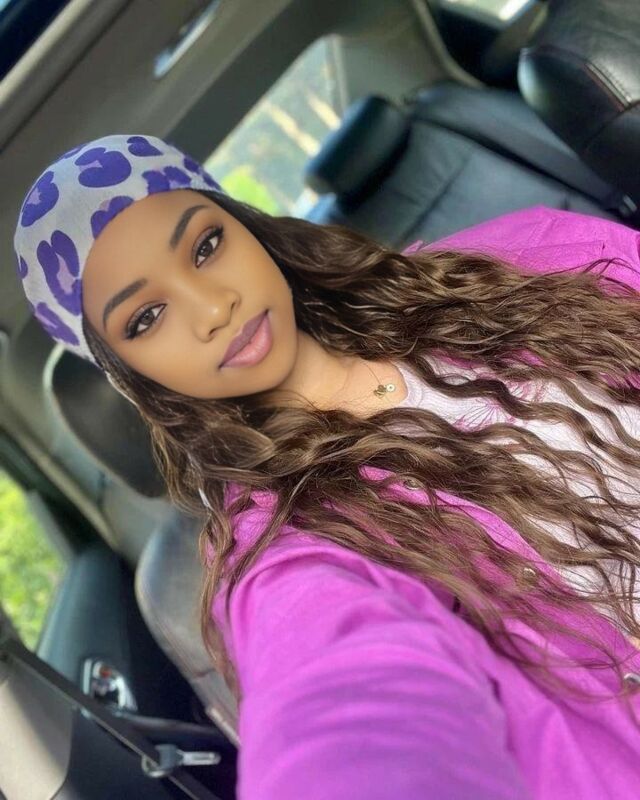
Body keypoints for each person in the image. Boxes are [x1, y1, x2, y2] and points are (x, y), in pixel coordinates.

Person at [13, 134, 640, 799]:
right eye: (146, 318)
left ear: (247, 228)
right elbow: (343, 703)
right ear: (129, 375)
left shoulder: (505, 262)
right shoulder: (288, 549)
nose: (214, 308)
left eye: (205, 246)